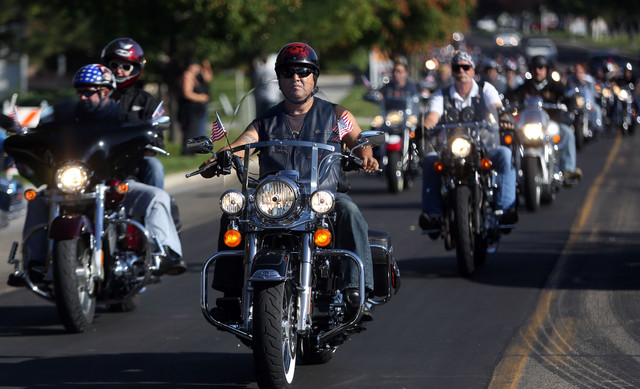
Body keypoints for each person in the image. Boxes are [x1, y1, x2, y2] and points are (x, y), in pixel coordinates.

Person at [199, 42, 378, 320]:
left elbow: (359, 139)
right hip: (274, 199)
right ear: (279, 79)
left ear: (314, 78)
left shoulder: (336, 114)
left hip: (321, 198)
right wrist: (217, 159)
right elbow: (241, 144)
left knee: (350, 211)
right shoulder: (267, 120)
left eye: (303, 72)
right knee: (234, 212)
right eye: (288, 72)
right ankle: (231, 294)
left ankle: (356, 291)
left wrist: (366, 154)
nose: (296, 77)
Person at [20, 64, 186, 277]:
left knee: (157, 196)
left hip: (114, 182)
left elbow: (143, 134)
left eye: (89, 92)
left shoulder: (122, 118)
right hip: (71, 182)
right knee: (36, 200)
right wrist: (28, 136)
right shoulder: (66, 116)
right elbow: (44, 132)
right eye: (80, 92)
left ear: (106, 91)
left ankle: (167, 252)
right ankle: (33, 263)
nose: (83, 97)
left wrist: (148, 135)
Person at [418, 50, 518, 232]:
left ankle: (504, 210)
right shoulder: (441, 95)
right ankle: (433, 216)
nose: (461, 71)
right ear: (452, 71)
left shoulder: (486, 89)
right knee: (430, 160)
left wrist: (503, 117)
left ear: (473, 71)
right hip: (451, 150)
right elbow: (432, 116)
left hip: (485, 146)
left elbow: (497, 107)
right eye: (457, 67)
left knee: (505, 153)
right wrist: (424, 127)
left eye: (466, 67)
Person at [101, 37, 165, 189]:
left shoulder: (145, 100)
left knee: (154, 165)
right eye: (114, 65)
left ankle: (157, 205)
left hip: (133, 163)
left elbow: (157, 141)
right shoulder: (96, 96)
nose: (119, 70)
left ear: (135, 69)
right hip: (99, 160)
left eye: (125, 67)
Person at [512, 55, 582, 182]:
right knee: (511, 137)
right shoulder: (525, 87)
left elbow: (567, 97)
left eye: (540, 67)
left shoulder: (555, 86)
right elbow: (512, 98)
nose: (537, 71)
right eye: (534, 68)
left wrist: (571, 106)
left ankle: (568, 170)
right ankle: (512, 171)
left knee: (567, 133)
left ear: (546, 69)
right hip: (529, 126)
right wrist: (506, 106)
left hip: (551, 125)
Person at [179, 58, 212, 155]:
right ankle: (188, 151)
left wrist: (207, 66)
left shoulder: (197, 76)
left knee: (196, 130)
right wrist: (201, 97)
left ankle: (194, 150)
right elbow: (187, 93)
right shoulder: (187, 76)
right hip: (189, 107)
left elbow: (208, 78)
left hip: (197, 108)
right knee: (190, 130)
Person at [566, 61, 603, 134]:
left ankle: (597, 128)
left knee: (597, 110)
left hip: (588, 103)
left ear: (584, 72)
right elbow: (569, 92)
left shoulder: (589, 80)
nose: (578, 74)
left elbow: (593, 92)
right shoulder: (571, 79)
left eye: (580, 72)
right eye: (576, 72)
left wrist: (590, 103)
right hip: (576, 104)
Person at [253, 53, 280, 118]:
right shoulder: (271, 70)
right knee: (270, 117)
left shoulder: (258, 70)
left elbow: (255, 81)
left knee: (260, 117)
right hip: (271, 96)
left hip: (260, 96)